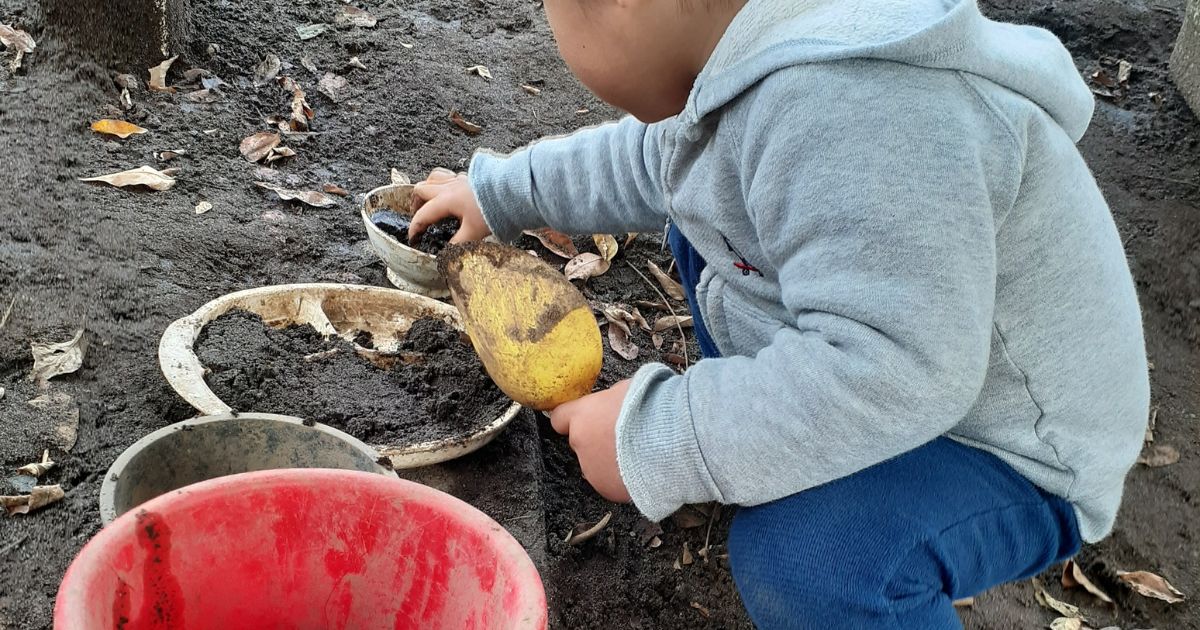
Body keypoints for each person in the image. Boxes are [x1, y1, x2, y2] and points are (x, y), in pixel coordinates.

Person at [406, 0, 1150, 627]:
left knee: (808, 560)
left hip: (1005, 445)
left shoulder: (854, 110)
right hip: (910, 363)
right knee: (704, 206)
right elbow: (656, 162)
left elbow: (896, 366)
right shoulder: (757, 51)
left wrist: (667, 434)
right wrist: (501, 192)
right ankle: (780, 439)